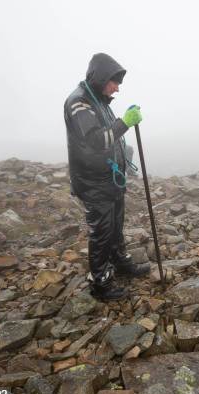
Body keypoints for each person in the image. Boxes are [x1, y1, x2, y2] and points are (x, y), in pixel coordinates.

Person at [64, 53, 150, 301]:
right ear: (101, 77)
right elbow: (94, 141)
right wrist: (125, 121)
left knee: (115, 226)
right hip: (93, 182)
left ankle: (120, 263)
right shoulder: (79, 102)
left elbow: (112, 138)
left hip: (110, 179)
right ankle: (101, 283)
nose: (117, 88)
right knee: (101, 232)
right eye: (114, 82)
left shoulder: (99, 100)